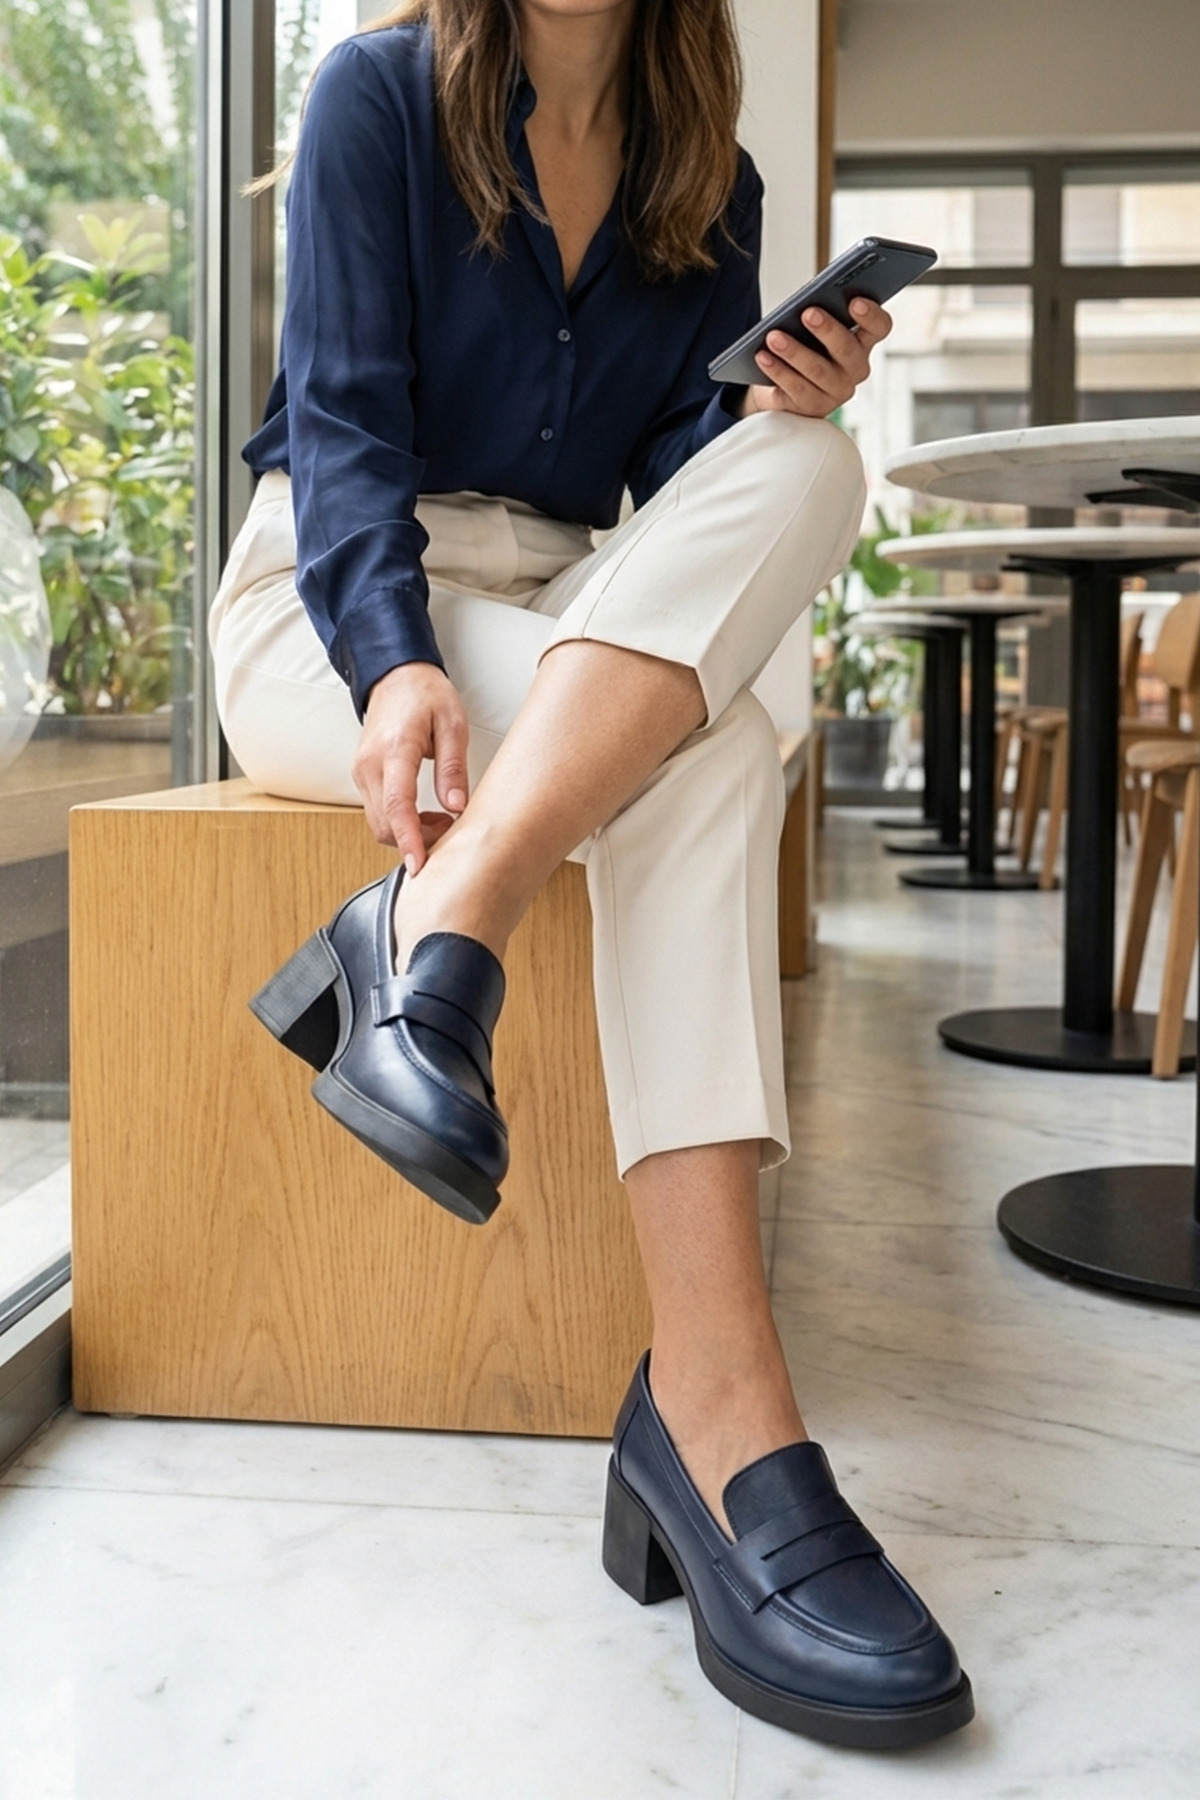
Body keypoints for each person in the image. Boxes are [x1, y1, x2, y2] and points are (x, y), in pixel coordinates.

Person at [210, 0, 974, 1750]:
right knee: (701, 762)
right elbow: (335, 431)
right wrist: (395, 658)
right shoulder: (377, 96)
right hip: (336, 602)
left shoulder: (715, 172)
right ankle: (721, 1417)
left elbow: (676, 493)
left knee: (808, 458)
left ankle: (431, 932)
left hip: (574, 612)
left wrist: (778, 399)